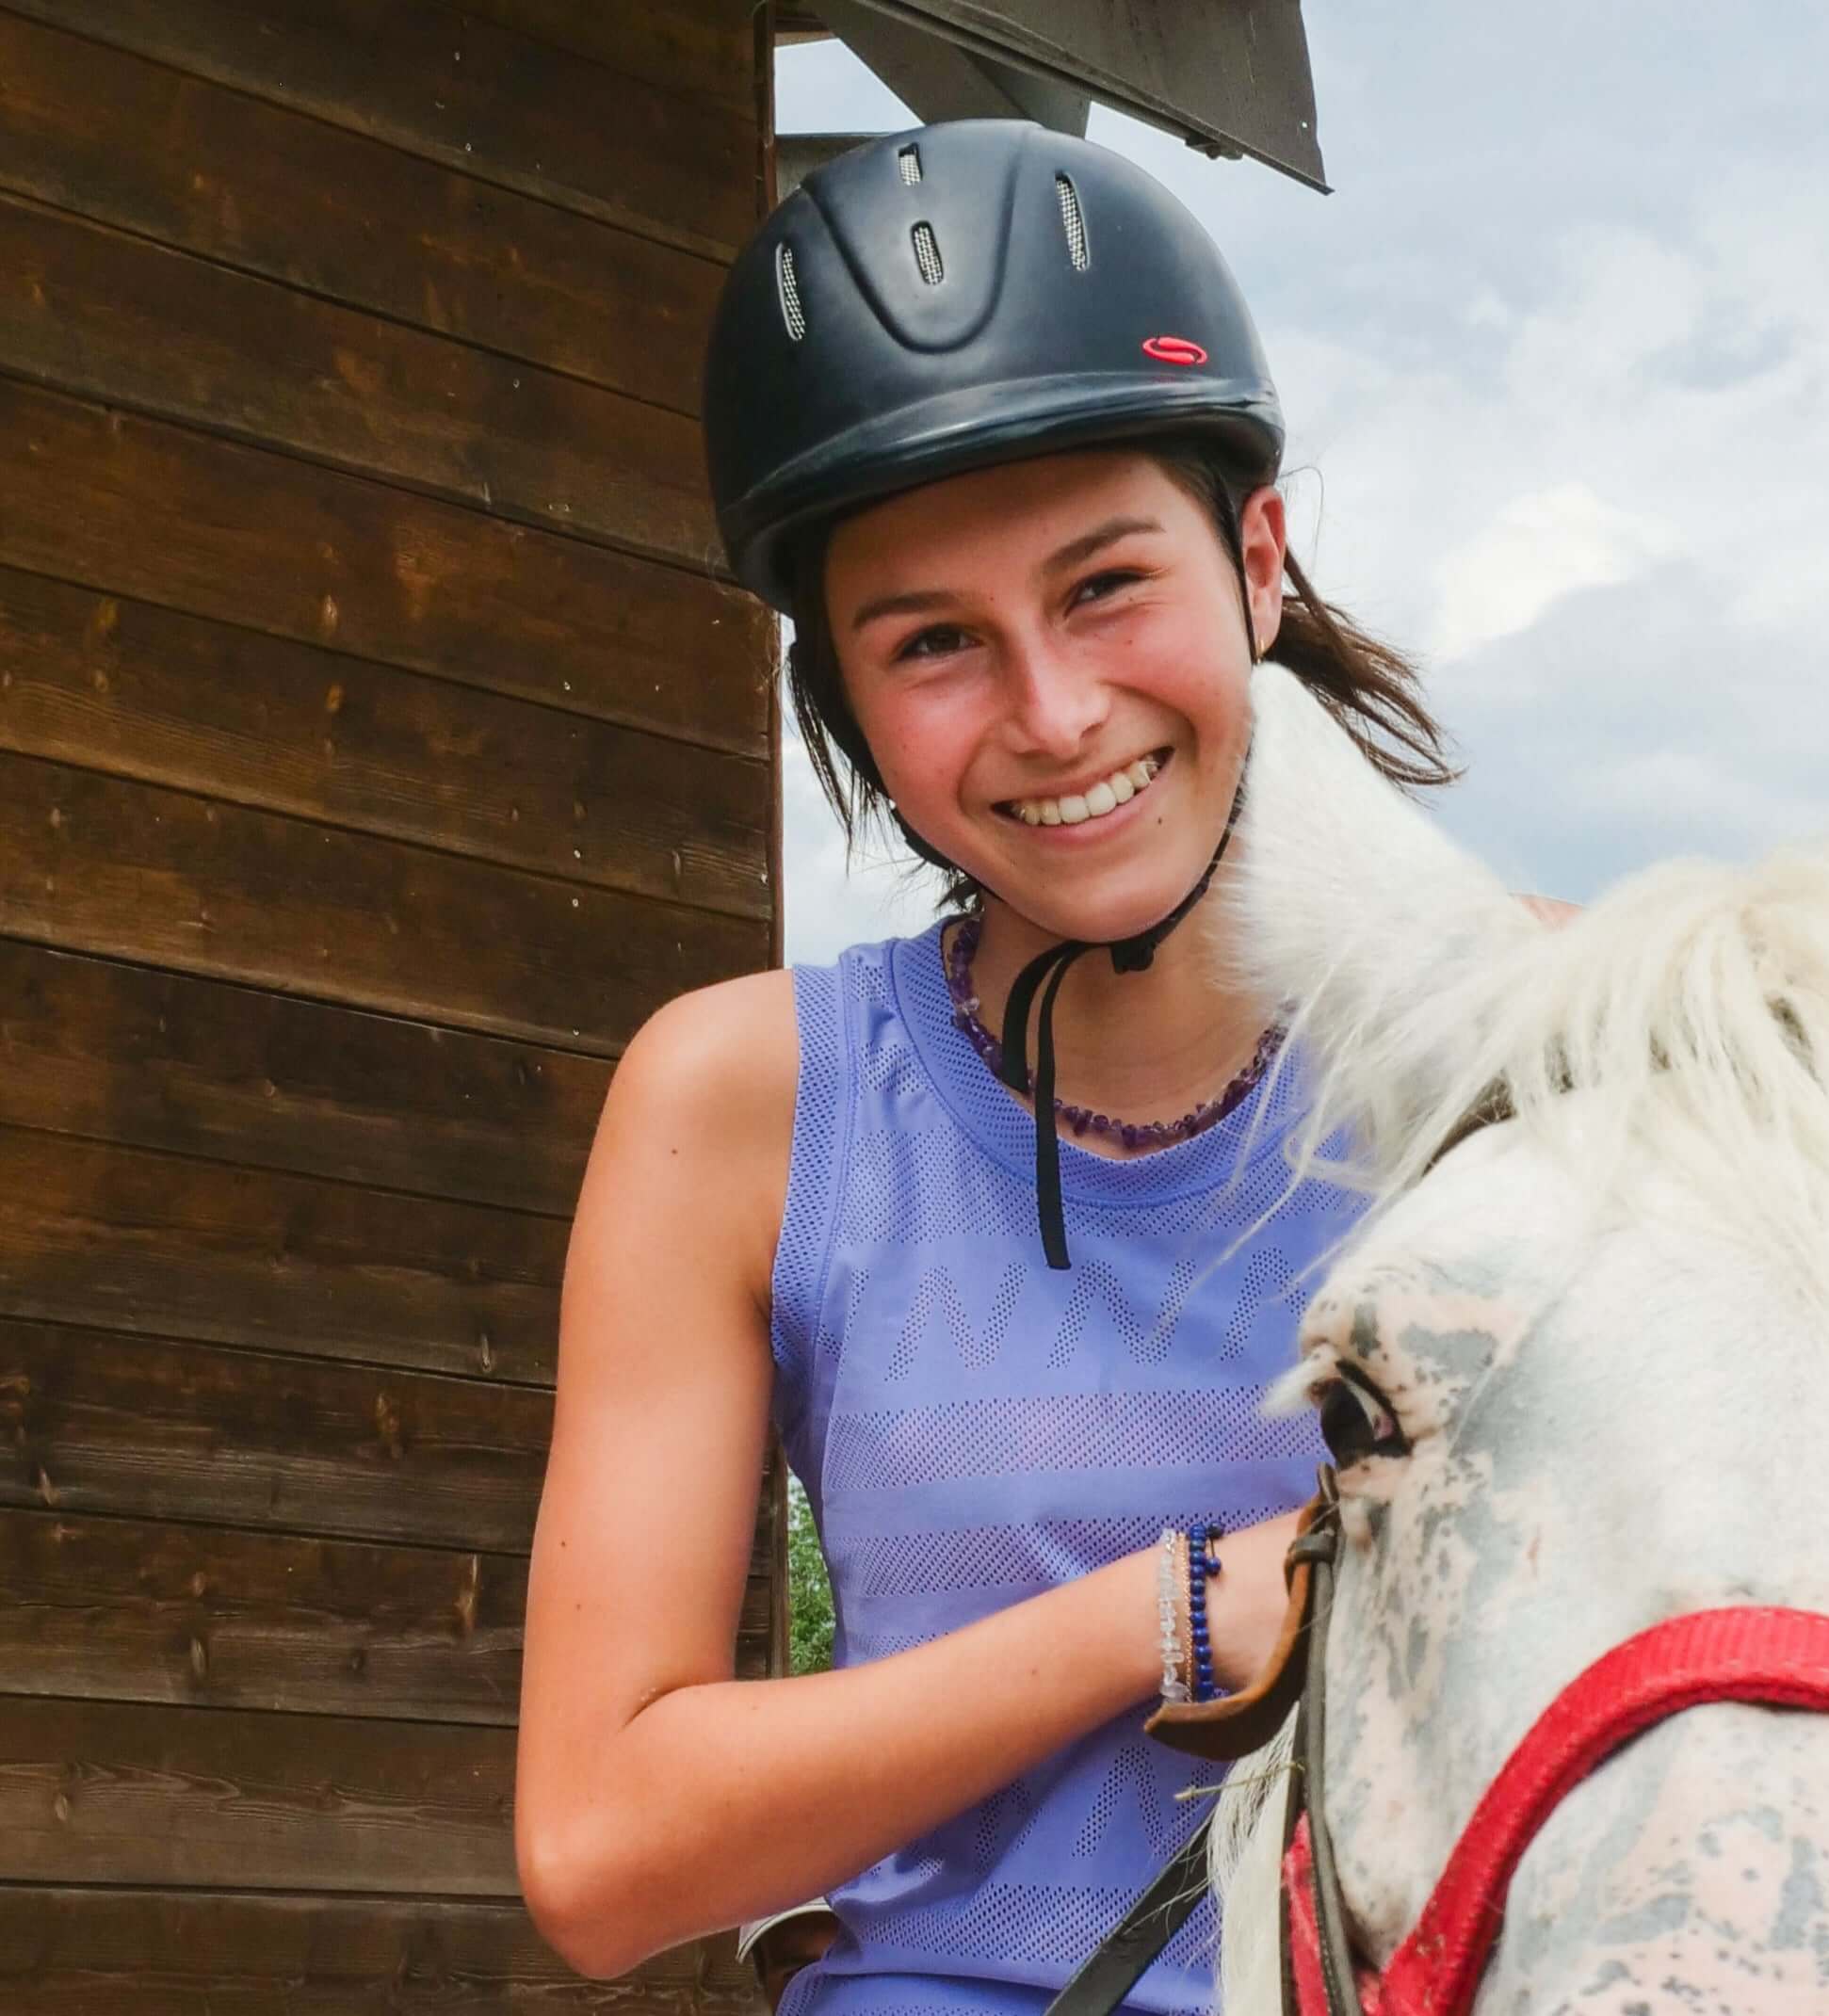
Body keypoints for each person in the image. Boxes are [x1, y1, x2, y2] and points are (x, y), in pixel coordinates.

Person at [513, 120, 1467, 2016]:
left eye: (1107, 584)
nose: (1053, 714)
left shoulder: (1534, 1033)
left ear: (1256, 559)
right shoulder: (745, 1100)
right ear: (845, 705)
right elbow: (602, 1854)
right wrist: (1168, 1616)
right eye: (935, 641)